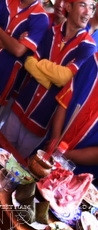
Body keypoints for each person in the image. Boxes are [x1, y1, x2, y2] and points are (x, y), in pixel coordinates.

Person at [5, 0, 96, 157]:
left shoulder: (88, 47)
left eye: (91, 7)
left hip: (43, 119)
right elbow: (29, 63)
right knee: (1, 149)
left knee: (19, 163)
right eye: (83, 5)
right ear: (68, 7)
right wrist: (52, 80)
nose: (88, 12)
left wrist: (43, 68)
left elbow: (64, 79)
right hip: (22, 103)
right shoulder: (50, 31)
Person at [47, 50, 98, 180]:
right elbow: (64, 101)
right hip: (52, 146)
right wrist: (55, 139)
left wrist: (65, 155)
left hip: (78, 171)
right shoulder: (94, 62)